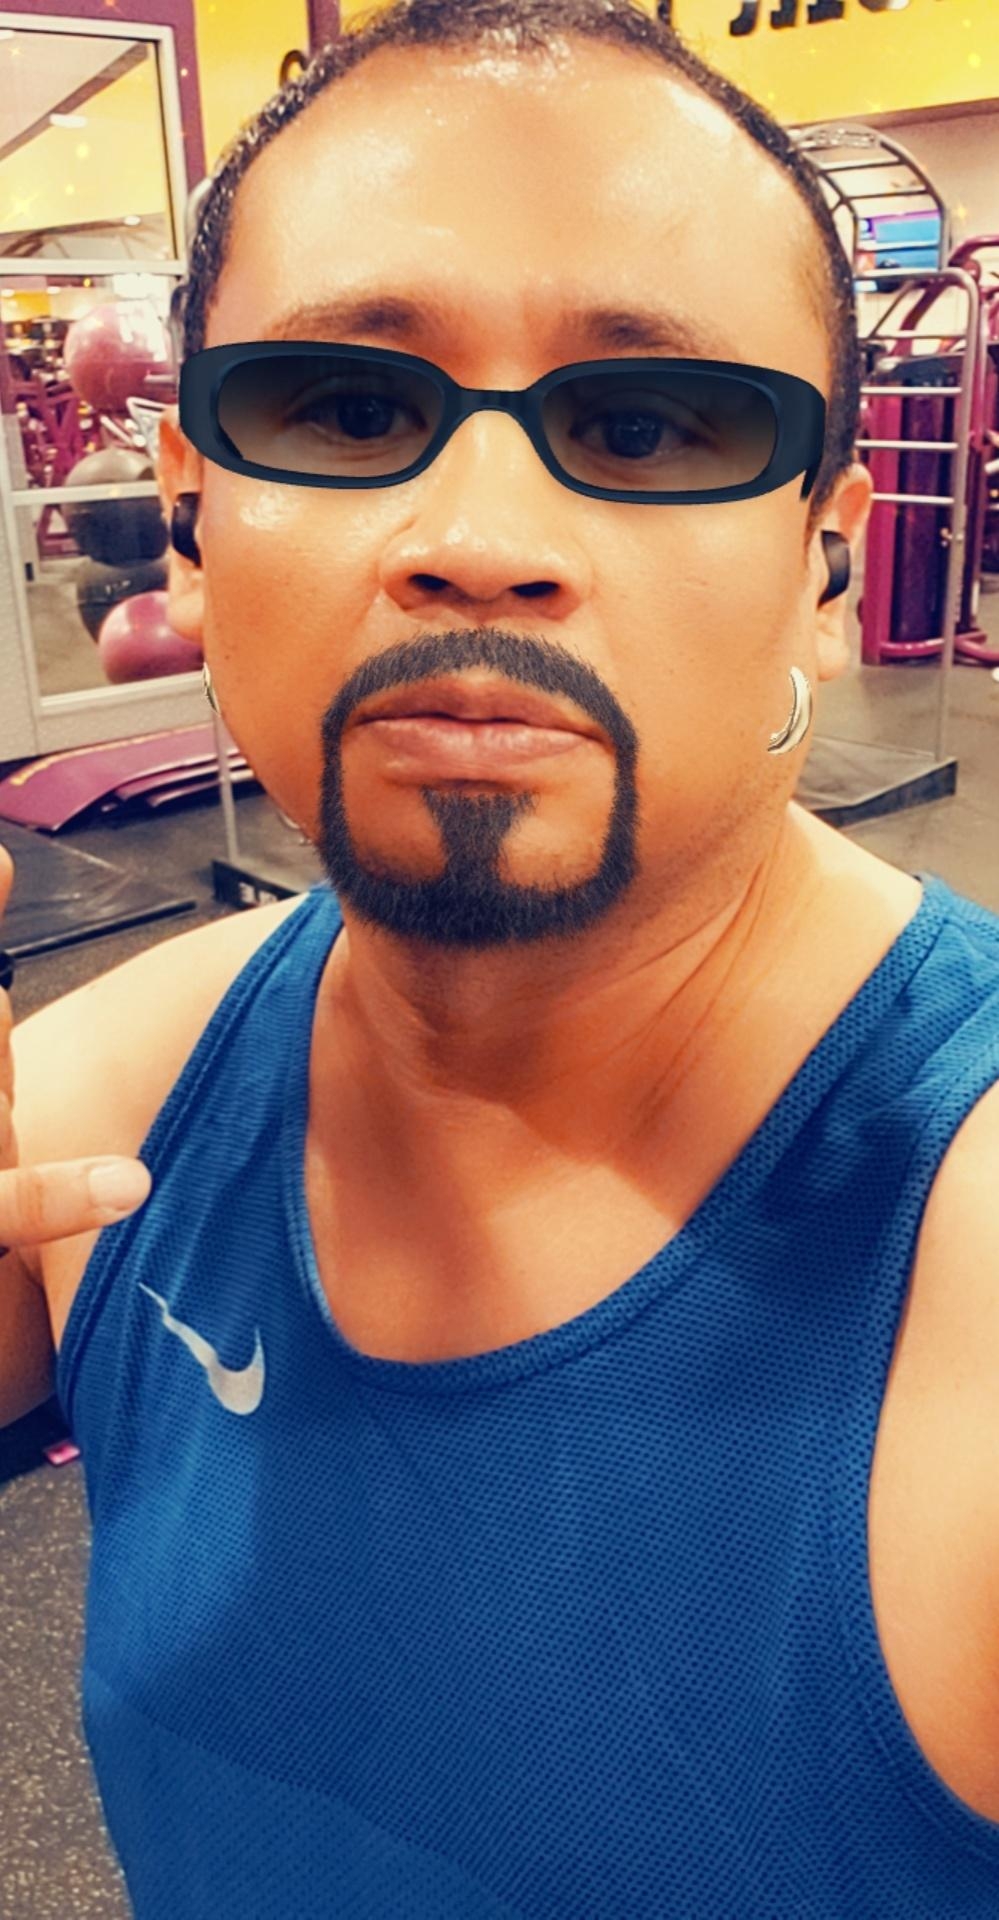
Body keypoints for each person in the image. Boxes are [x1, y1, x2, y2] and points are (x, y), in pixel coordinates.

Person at [9, 2, 999, 1913]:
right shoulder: (107, 1109)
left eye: (646, 424)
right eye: (347, 408)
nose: (479, 539)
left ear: (823, 554)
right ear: (190, 516)